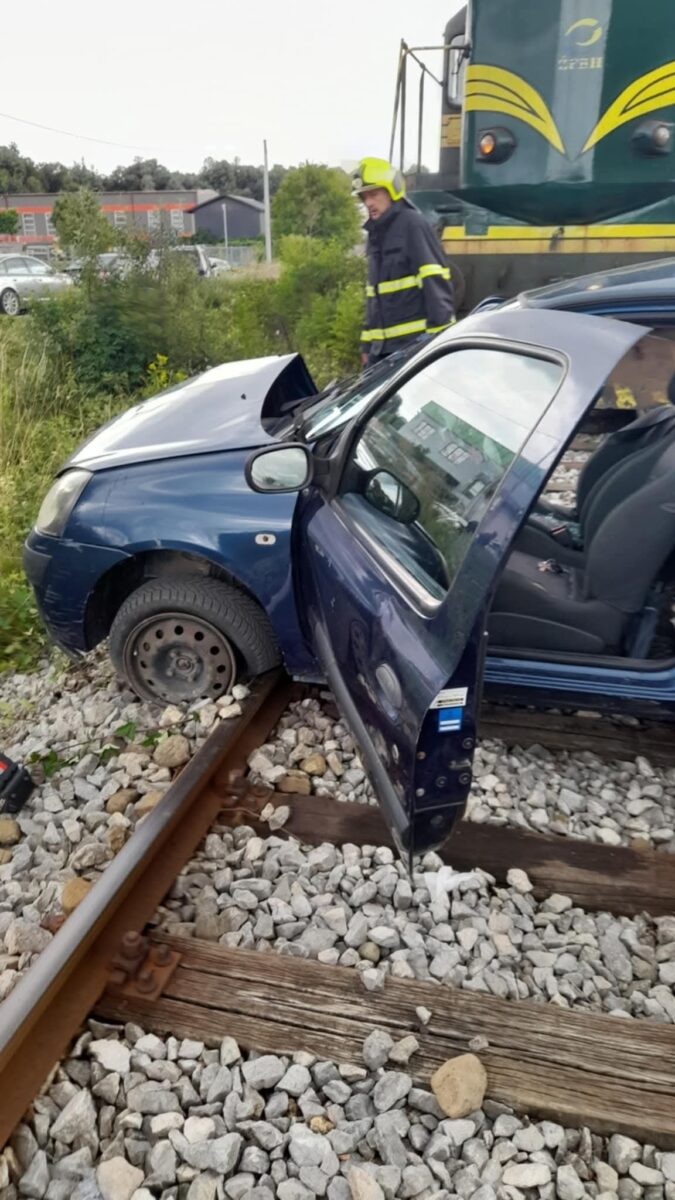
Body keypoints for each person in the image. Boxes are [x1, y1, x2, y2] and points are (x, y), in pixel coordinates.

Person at [352, 157, 455, 367]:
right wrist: (366, 345)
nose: (368, 202)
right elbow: (374, 296)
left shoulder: (412, 225)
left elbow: (435, 285)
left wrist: (438, 345)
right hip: (381, 354)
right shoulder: (375, 234)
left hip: (414, 350)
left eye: (374, 194)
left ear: (391, 191)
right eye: (364, 197)